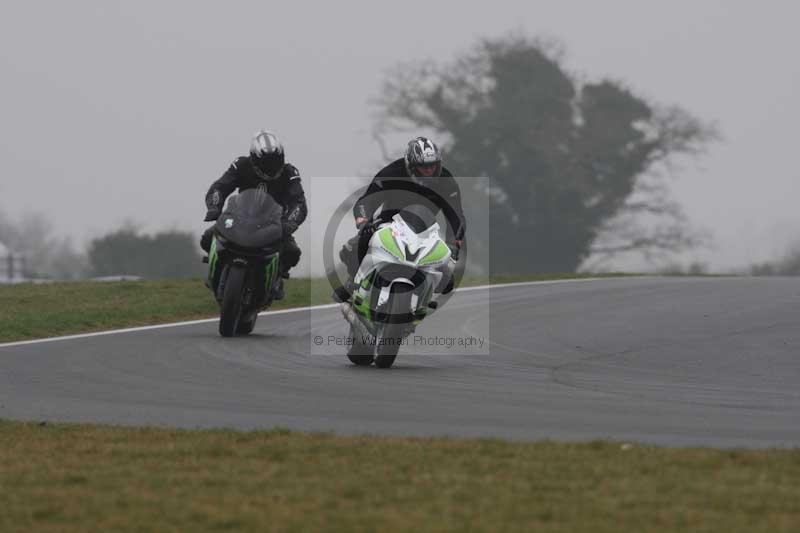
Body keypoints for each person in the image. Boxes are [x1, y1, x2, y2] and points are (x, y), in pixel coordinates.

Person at [332, 136, 465, 302]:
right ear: (410, 164)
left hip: (426, 230)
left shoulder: (447, 181)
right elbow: (367, 200)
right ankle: (353, 283)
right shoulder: (392, 172)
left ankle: (422, 299)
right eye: (423, 168)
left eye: (433, 166)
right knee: (356, 245)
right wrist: (364, 222)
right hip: (389, 224)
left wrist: (453, 243)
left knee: (447, 283)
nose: (429, 172)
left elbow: (456, 216)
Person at [201, 130, 307, 299]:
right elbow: (220, 187)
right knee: (207, 238)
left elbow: (299, 203)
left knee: (292, 252)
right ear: (254, 158)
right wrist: (214, 207)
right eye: (267, 162)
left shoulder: (290, 173)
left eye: (275, 160)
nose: (272, 166)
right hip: (239, 218)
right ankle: (216, 272)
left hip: (273, 224)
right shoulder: (241, 165)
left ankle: (276, 279)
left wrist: (288, 224)